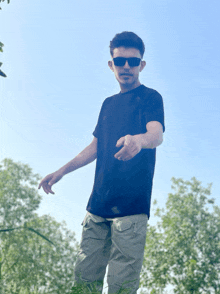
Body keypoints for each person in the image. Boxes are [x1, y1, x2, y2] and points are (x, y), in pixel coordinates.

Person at [38, 31, 165, 294]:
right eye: (120, 62)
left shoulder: (151, 98)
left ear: (142, 65)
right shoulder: (107, 104)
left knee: (121, 288)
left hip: (131, 210)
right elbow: (96, 146)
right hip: (97, 208)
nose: (126, 67)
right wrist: (62, 170)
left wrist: (139, 141)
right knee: (83, 285)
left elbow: (156, 134)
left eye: (133, 61)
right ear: (112, 65)